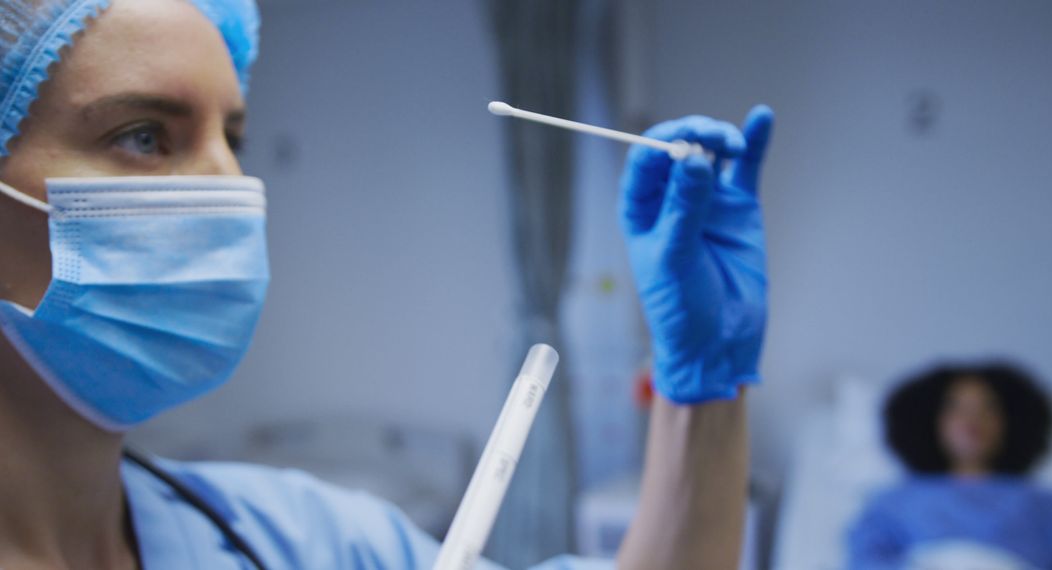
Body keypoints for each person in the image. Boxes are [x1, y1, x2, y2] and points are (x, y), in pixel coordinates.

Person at [0, 1, 775, 568]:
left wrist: (703, 390)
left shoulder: (295, 541)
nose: (230, 186)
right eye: (144, 136)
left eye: (235, 138)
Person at [847, 362, 1052, 569]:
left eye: (988, 408)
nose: (972, 419)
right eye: (955, 407)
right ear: (929, 420)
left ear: (1012, 421)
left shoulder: (1047, 505)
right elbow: (865, 559)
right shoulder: (895, 502)